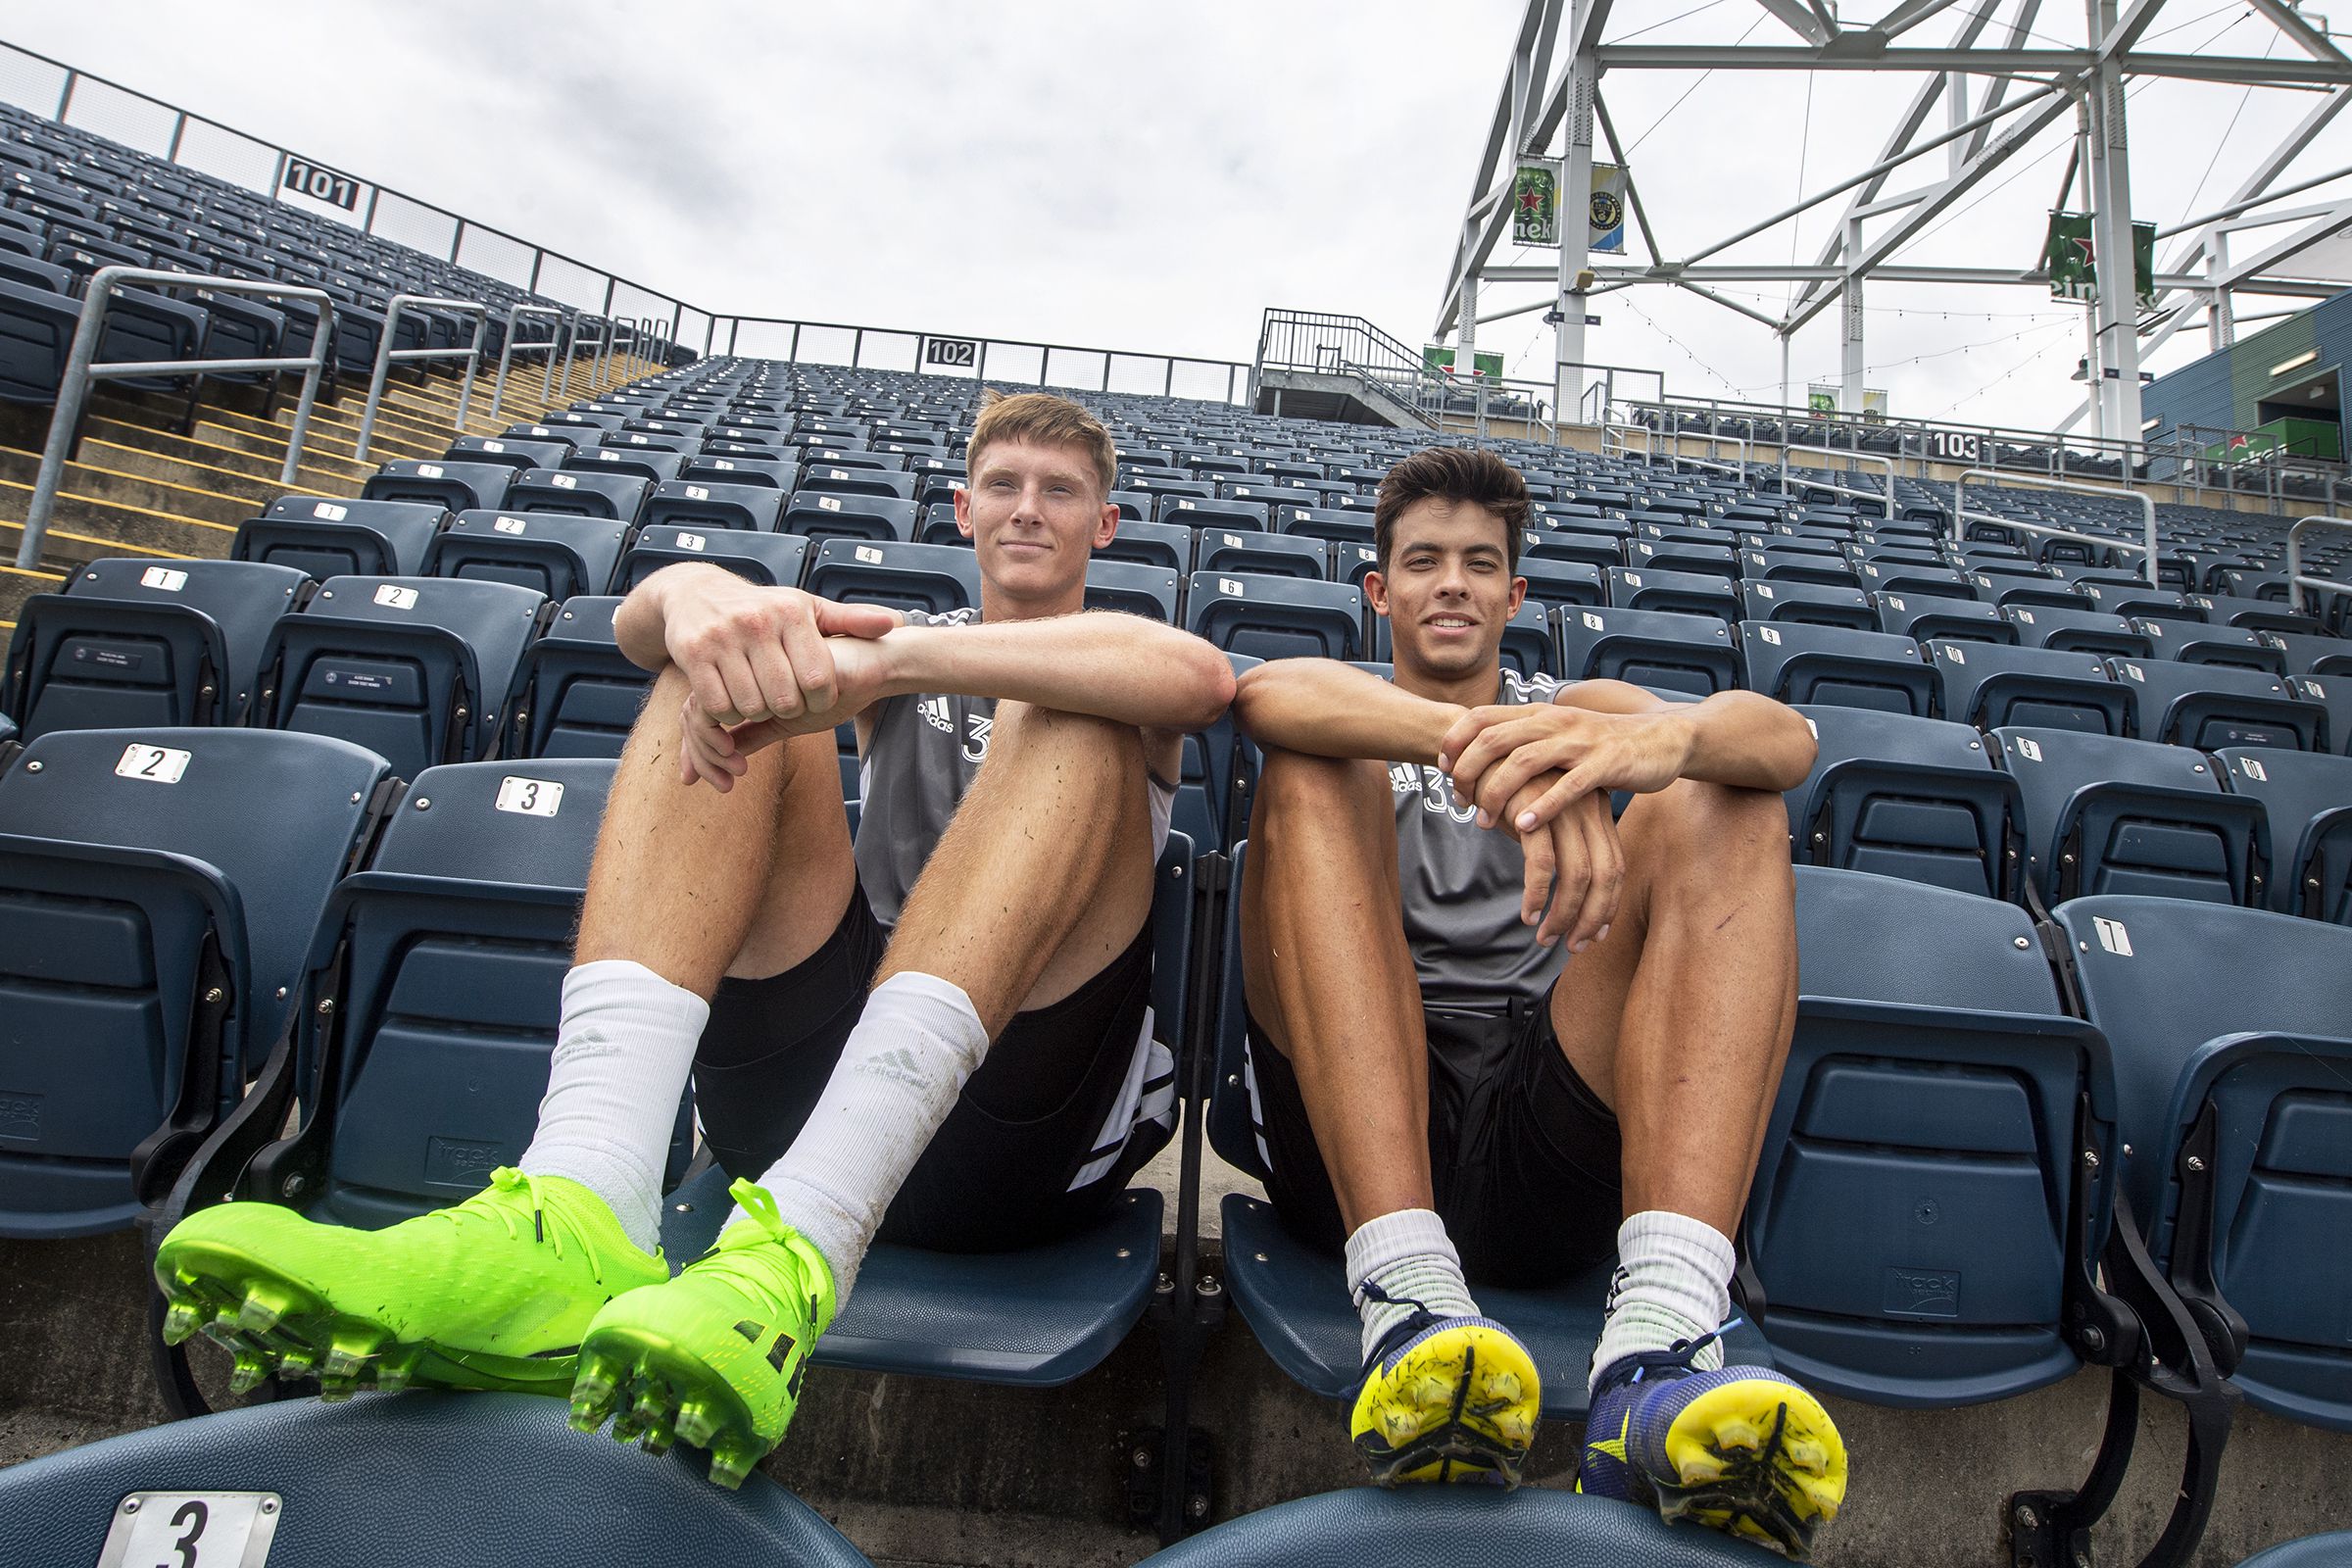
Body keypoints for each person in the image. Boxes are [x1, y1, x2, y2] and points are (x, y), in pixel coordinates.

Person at [155, 391, 1235, 1488]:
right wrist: (702, 598)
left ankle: (800, 1249)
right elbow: (643, 627)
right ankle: (581, 1206)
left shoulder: (1105, 649)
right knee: (722, 673)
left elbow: (1198, 682)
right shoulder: (899, 638)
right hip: (811, 1103)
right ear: (963, 509)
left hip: (1019, 1133)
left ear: (1106, 523)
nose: (1027, 509)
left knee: (1069, 706)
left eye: (1060, 491)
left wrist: (900, 667)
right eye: (1003, 484)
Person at [1230, 446, 1846, 1557]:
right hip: (1360, 1121)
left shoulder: (1575, 707)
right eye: (1422, 562)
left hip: (1536, 1123)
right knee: (1311, 760)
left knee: (1729, 800)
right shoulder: (1350, 696)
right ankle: (1408, 1299)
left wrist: (1642, 743)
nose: (1452, 584)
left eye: (1480, 563)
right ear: (1380, 592)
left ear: (1517, 595)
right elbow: (1267, 695)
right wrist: (1492, 750)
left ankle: (1656, 1349)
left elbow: (1789, 744)